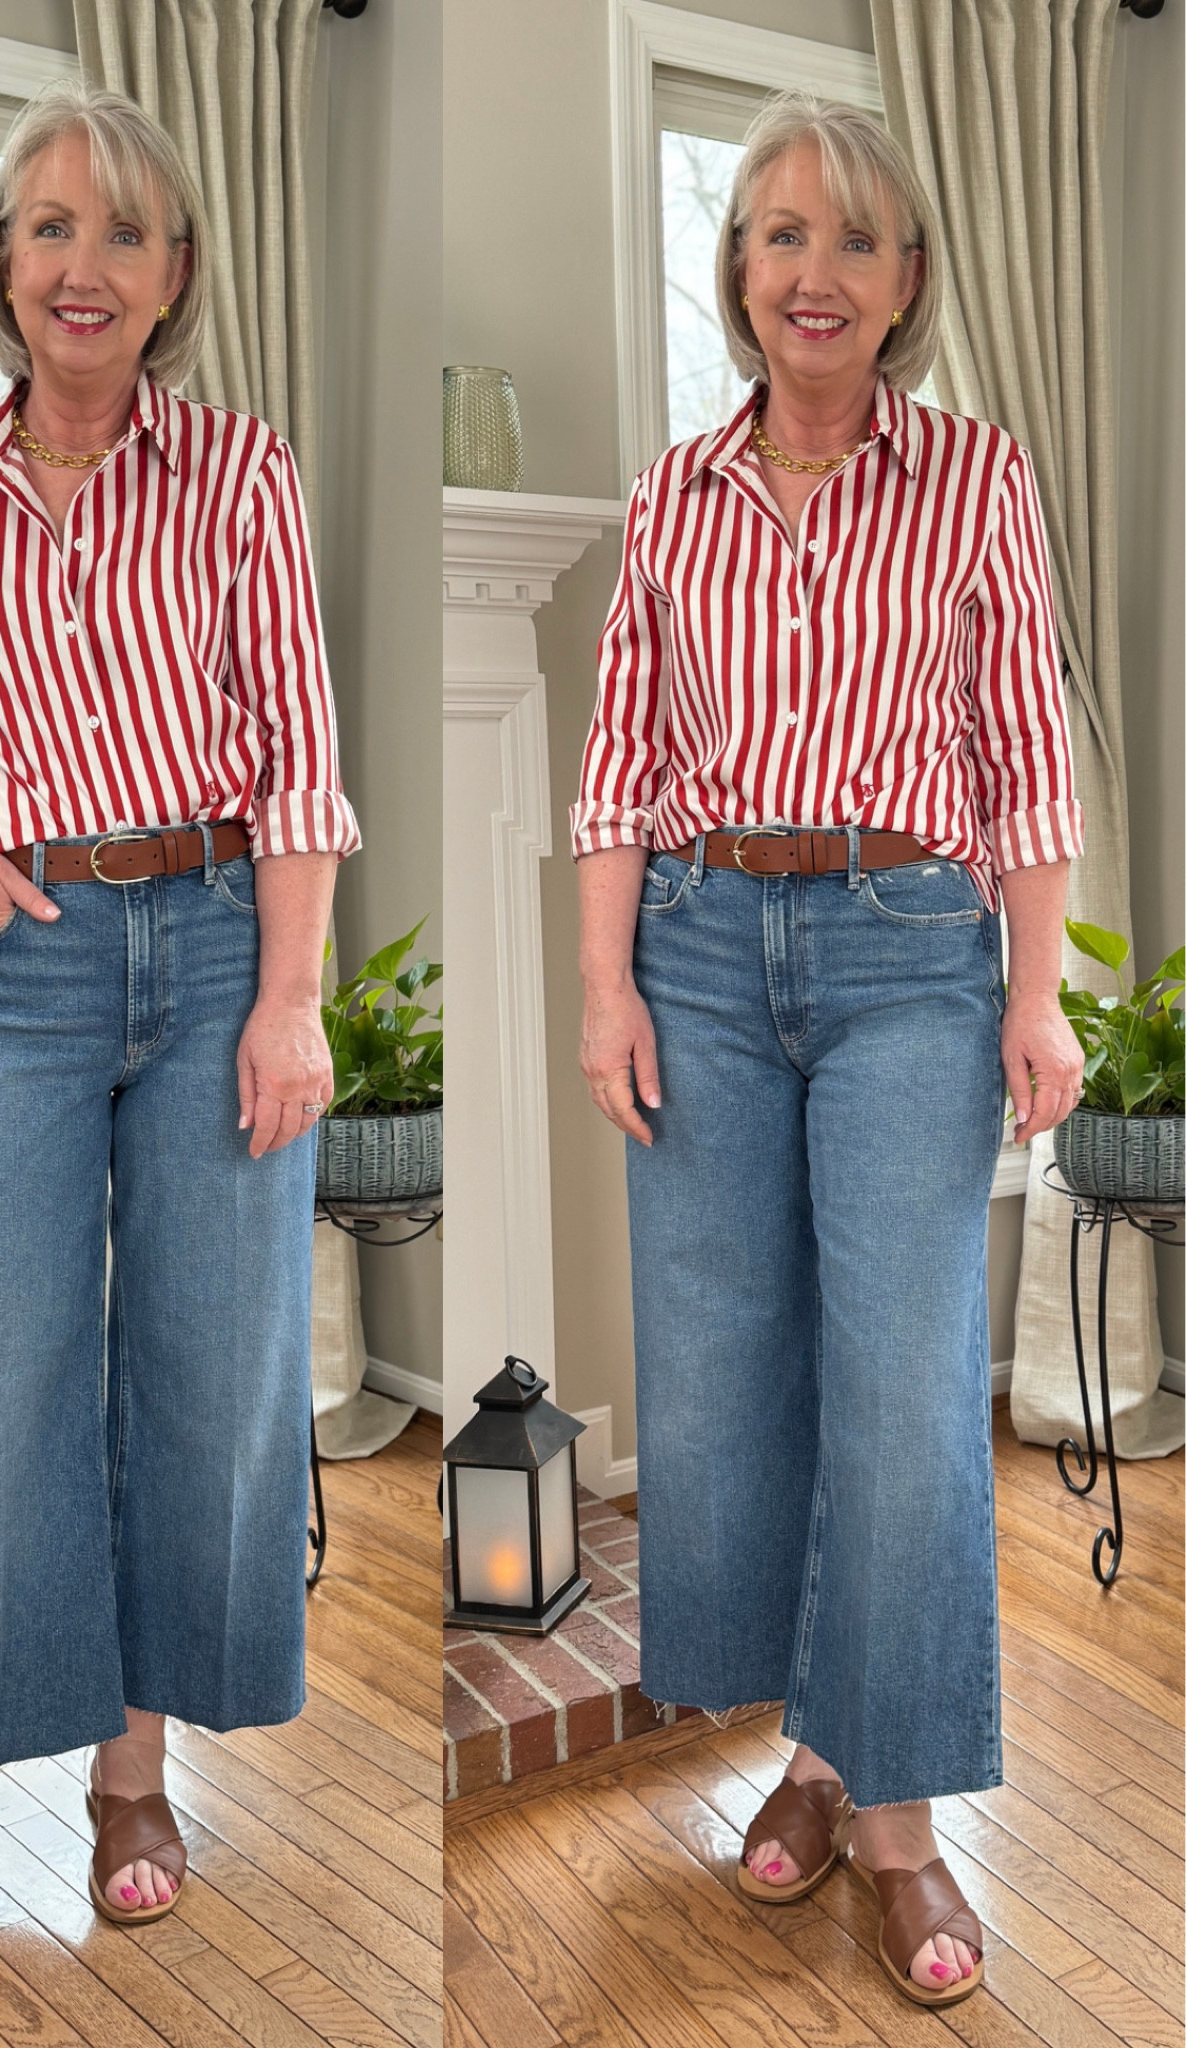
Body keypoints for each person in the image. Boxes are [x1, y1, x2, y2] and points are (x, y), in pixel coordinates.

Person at [0, 77, 358, 1958]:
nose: (83, 262)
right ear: (5, 265)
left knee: (206, 1368)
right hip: (11, 970)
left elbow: (297, 761)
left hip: (215, 949)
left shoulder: (241, 474)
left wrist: (289, 1003)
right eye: (50, 226)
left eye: (122, 230)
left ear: (174, 272)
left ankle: (134, 1771)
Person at [572, 91, 1083, 2010]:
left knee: (902, 1390)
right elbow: (618, 765)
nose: (814, 269)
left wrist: (1033, 990)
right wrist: (607, 986)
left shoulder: (976, 479)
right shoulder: (668, 498)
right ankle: (811, 1745)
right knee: (731, 1383)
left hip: (907, 952)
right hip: (697, 952)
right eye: (780, 232)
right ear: (736, 268)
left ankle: (900, 1821)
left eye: (853, 237)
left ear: (905, 278)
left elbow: (1023, 753)